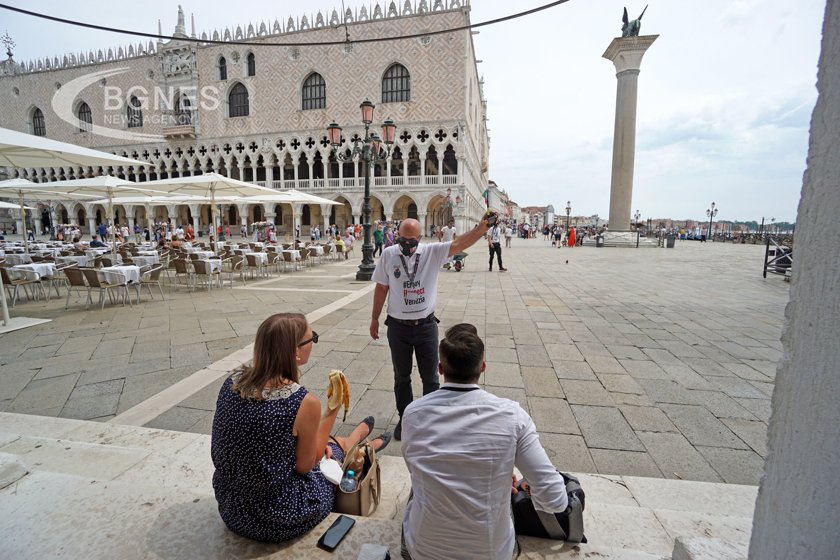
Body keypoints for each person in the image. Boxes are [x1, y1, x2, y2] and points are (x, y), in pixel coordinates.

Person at [212, 313, 391, 543]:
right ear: (295, 351)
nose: (313, 343)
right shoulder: (302, 402)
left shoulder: (231, 383)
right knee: (329, 456)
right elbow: (305, 467)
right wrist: (333, 409)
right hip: (276, 516)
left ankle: (354, 439)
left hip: (231, 506)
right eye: (311, 339)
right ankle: (356, 443)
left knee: (318, 444)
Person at [401, 324, 569, 560]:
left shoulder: (413, 414)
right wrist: (508, 481)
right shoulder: (513, 417)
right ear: (482, 367)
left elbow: (420, 467)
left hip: (423, 550)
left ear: (440, 369)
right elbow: (556, 500)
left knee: (417, 487)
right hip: (490, 552)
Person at [370, 216, 492, 440]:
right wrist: (374, 318)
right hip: (398, 327)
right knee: (401, 376)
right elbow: (381, 288)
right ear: (398, 237)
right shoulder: (389, 254)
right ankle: (405, 419)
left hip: (426, 326)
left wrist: (481, 229)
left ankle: (432, 419)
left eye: (412, 240)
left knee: (431, 377)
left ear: (419, 237)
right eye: (403, 240)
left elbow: (459, 244)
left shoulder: (430, 252)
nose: (407, 245)